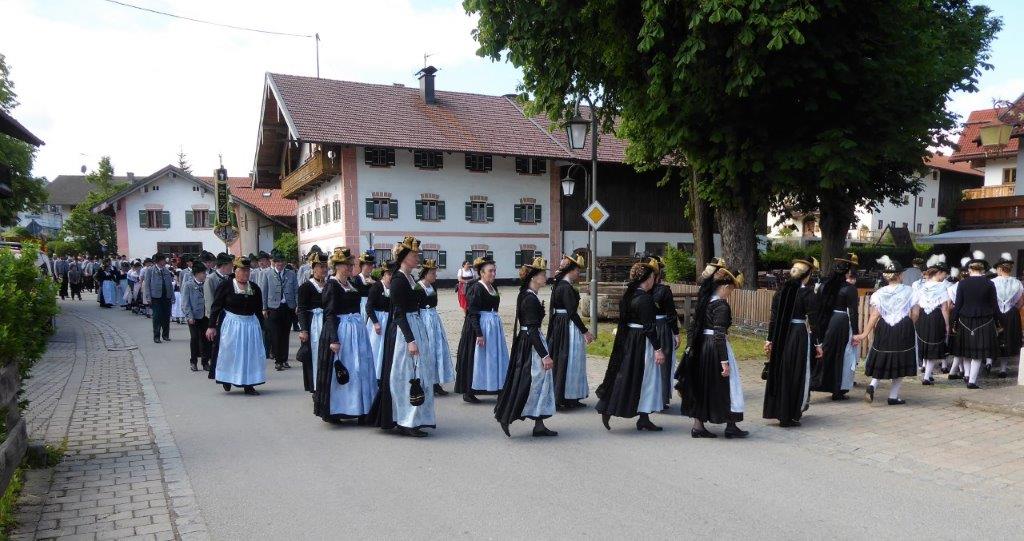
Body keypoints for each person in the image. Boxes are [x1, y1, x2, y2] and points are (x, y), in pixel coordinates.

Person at [367, 237, 437, 437]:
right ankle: (405, 420)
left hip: (414, 325)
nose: (417, 257)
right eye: (414, 255)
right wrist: (410, 340)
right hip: (403, 332)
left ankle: (415, 417)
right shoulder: (398, 280)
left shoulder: (410, 278)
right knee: (405, 375)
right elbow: (398, 314)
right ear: (404, 257)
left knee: (417, 373)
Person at [677, 261, 747, 438]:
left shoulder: (705, 302)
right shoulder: (721, 305)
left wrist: (690, 347)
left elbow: (692, 327)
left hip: (702, 346)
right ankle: (731, 425)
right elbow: (719, 335)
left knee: (703, 385)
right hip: (715, 348)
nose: (731, 293)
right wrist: (724, 361)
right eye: (731, 289)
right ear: (724, 287)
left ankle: (698, 426)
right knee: (728, 385)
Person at [595, 259, 666, 431]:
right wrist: (658, 349)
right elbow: (649, 328)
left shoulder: (629, 296)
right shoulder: (644, 299)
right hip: (642, 342)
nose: (654, 280)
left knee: (628, 376)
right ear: (647, 279)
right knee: (646, 379)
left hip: (630, 340)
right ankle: (612, 408)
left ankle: (643, 417)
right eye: (652, 277)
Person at [495, 257, 558, 438]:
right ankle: (507, 416)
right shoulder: (529, 298)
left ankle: (539, 424)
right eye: (542, 274)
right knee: (528, 382)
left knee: (538, 382)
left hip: (529, 341)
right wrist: (545, 355)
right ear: (533, 278)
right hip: (531, 344)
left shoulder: (528, 295)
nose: (545, 277)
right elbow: (531, 329)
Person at [313, 248, 377, 422]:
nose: (350, 267)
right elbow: (329, 314)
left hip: (357, 333)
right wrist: (334, 339)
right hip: (341, 333)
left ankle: (361, 407)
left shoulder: (352, 284)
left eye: (351, 264)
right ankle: (338, 409)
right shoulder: (332, 285)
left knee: (360, 369)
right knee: (344, 369)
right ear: (337, 266)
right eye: (346, 264)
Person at [763, 258, 822, 427]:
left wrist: (769, 339)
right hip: (798, 336)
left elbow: (773, 319)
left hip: (781, 335)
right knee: (796, 372)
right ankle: (790, 413)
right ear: (807, 275)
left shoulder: (780, 292)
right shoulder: (807, 293)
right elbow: (814, 321)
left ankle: (778, 410)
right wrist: (818, 344)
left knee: (781, 370)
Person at [852, 256, 918, 404]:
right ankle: (893, 396)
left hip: (884, 326)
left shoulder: (878, 293)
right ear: (900, 275)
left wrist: (864, 334)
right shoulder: (911, 291)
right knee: (900, 359)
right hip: (903, 325)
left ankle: (872, 385)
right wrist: (909, 324)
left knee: (882, 356)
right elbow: (915, 313)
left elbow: (875, 315)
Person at [206, 257, 266, 395]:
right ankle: (226, 378)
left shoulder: (254, 288)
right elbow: (216, 306)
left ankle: (249, 384)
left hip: (250, 325)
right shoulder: (226, 286)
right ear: (235, 271)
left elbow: (258, 309)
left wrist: (263, 326)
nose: (246, 273)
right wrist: (211, 326)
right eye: (242, 270)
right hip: (232, 325)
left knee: (250, 355)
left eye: (248, 270)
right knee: (230, 353)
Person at [455, 256, 509, 403]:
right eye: (490, 271)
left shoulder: (493, 287)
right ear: (482, 273)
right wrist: (478, 333)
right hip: (480, 326)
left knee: (493, 356)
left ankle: (494, 385)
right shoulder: (477, 288)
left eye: (494, 271)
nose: (493, 273)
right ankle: (469, 391)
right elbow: (472, 312)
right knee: (478, 358)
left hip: (492, 326)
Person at [546, 254, 594, 410]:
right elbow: (572, 313)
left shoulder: (560, 285)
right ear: (571, 270)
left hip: (562, 325)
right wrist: (585, 331)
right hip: (567, 327)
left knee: (572, 361)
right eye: (577, 270)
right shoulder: (565, 287)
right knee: (570, 360)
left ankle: (571, 396)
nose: (578, 273)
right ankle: (564, 397)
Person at [810, 254, 860, 400]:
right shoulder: (849, 289)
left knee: (826, 352)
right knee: (840, 354)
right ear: (847, 271)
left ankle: (815, 381)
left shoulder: (824, 285)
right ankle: (837, 388)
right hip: (841, 321)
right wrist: (856, 333)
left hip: (826, 321)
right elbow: (853, 312)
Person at [950, 251, 1000, 389]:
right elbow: (994, 306)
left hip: (964, 321)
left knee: (966, 351)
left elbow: (958, 305)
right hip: (985, 321)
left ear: (970, 269)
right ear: (983, 270)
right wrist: (998, 322)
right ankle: (971, 381)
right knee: (978, 353)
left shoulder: (962, 284)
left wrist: (953, 322)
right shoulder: (989, 283)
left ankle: (967, 375)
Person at [416, 259, 454, 396]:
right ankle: (425, 382)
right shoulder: (417, 287)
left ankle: (436, 382)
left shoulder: (433, 287)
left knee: (437, 349)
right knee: (428, 350)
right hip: (423, 320)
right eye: (432, 273)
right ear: (425, 273)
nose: (435, 275)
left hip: (434, 318)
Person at [649, 255, 680, 409]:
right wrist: (676, 333)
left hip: (644, 328)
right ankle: (661, 399)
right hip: (662, 328)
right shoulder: (664, 290)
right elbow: (671, 314)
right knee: (664, 363)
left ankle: (646, 397)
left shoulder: (638, 289)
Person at [259, 250, 298, 371]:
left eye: (282, 261)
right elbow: (264, 291)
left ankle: (284, 359)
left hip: (288, 307)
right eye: (277, 262)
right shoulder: (267, 274)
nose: (280, 264)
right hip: (273, 308)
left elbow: (296, 290)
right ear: (273, 262)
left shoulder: (291, 273)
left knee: (285, 334)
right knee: (275, 334)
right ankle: (278, 360)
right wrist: (264, 308)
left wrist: (297, 305)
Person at [915, 255, 950, 385]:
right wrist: (947, 324)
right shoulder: (942, 287)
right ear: (939, 273)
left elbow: (916, 305)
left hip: (923, 316)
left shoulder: (921, 286)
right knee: (933, 345)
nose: (945, 277)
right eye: (944, 274)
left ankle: (927, 374)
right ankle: (926, 377)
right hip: (936, 316)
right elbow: (945, 308)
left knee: (925, 344)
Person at [296, 251, 327, 392]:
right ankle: (314, 387)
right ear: (313, 268)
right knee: (313, 355)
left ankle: (326, 385)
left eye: (325, 266)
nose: (324, 270)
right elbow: (301, 309)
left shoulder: (330, 285)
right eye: (321, 267)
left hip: (326, 322)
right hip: (312, 324)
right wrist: (303, 330)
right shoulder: (305, 287)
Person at [991, 253, 1023, 379]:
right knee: (1008, 339)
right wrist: (1013, 308)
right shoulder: (1017, 283)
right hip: (1011, 313)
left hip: (995, 313)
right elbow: (1020, 301)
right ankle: (1003, 369)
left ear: (1000, 269)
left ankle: (989, 362)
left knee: (993, 337)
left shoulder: (992, 282)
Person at [181, 262, 211, 372]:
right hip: (193, 316)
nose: (205, 275)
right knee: (194, 338)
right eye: (203, 273)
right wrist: (189, 316)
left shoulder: (207, 284)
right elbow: (185, 302)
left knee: (205, 339)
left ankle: (205, 362)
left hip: (205, 316)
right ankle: (193, 362)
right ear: (197, 273)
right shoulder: (188, 285)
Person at [365, 265, 393, 379]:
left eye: (392, 274)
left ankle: (384, 374)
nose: (391, 277)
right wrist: (375, 323)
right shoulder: (376, 287)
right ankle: (374, 375)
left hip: (389, 320)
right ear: (383, 275)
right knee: (376, 347)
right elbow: (368, 307)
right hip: (377, 321)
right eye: (389, 274)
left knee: (386, 348)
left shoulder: (393, 288)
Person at [146, 253, 175, 343]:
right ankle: (156, 336)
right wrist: (148, 297)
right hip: (156, 297)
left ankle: (165, 335)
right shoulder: (150, 270)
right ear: (158, 261)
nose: (164, 262)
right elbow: (147, 285)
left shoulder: (166, 270)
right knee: (157, 317)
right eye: (163, 260)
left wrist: (172, 296)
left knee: (166, 316)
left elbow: (170, 284)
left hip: (166, 296)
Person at [353, 251, 376, 317]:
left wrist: (374, 283)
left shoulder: (375, 279)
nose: (371, 267)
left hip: (373, 307)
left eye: (371, 265)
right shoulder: (356, 279)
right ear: (362, 265)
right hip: (361, 307)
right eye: (368, 265)